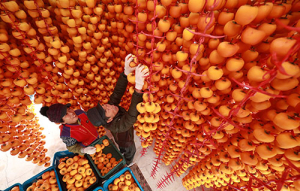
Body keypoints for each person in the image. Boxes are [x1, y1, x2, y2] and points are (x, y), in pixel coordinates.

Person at [87, 54, 148, 165]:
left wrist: (125, 73)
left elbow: (117, 93)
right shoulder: (119, 126)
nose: (108, 106)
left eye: (104, 106)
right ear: (109, 120)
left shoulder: (110, 111)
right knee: (129, 150)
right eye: (105, 110)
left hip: (123, 134)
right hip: (125, 142)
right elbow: (131, 116)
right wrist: (138, 88)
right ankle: (128, 160)